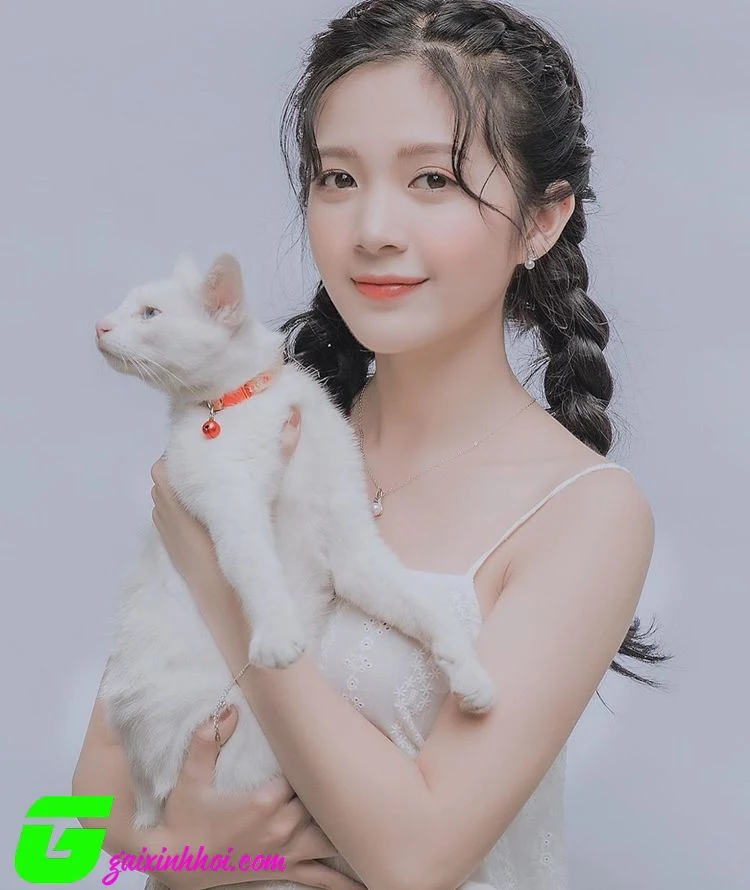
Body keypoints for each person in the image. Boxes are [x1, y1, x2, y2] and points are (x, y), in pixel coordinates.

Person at [73, 2, 672, 888]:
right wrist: (194, 858)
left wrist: (225, 580)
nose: (372, 230)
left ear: (543, 220)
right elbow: (79, 821)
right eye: (338, 178)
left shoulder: (586, 513)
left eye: (432, 179)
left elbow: (415, 857)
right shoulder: (255, 436)